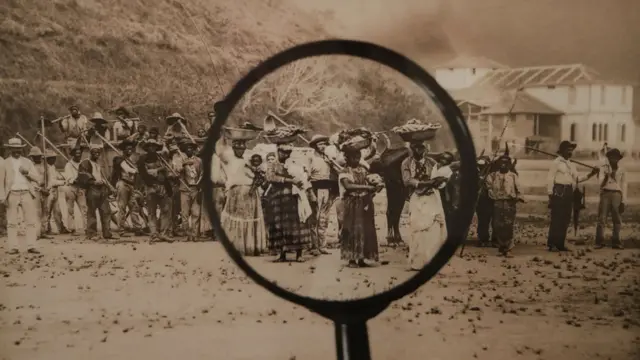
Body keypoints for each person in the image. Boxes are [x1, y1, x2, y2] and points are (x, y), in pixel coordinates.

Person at [401, 140, 448, 271]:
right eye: (415, 147)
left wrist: (440, 181)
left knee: (434, 227)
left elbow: (440, 179)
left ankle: (432, 260)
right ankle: (417, 261)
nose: (418, 150)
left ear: (425, 148)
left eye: (421, 147)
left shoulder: (432, 162)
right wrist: (427, 183)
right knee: (417, 228)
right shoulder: (406, 163)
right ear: (411, 148)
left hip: (432, 196)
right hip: (417, 197)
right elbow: (407, 181)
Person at [217, 137, 267, 256]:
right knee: (236, 217)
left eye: (242, 148)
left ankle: (250, 246)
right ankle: (235, 245)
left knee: (248, 218)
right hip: (236, 192)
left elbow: (257, 175)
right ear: (233, 148)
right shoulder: (228, 158)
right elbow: (219, 151)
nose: (240, 150)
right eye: (238, 148)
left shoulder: (247, 161)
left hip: (250, 193)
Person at [546, 141, 598, 251]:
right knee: (557, 219)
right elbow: (550, 178)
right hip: (559, 192)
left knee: (565, 219)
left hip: (569, 192)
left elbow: (577, 179)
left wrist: (591, 174)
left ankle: (560, 243)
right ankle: (552, 244)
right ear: (562, 151)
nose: (570, 152)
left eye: (571, 150)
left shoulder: (571, 164)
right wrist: (550, 194)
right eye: (568, 150)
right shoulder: (556, 163)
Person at [264, 142, 313, 261]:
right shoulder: (272, 165)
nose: (285, 155)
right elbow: (270, 178)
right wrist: (290, 180)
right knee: (279, 224)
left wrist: (300, 180)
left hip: (293, 198)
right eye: (283, 152)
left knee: (296, 223)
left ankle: (299, 254)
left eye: (288, 153)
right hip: (277, 198)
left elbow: (303, 177)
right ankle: (281, 254)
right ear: (278, 152)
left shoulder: (294, 163)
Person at [338, 136, 381, 268]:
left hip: (364, 202)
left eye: (358, 156)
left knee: (365, 229)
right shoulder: (344, 171)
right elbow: (348, 186)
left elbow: (370, 181)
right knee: (352, 229)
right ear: (347, 158)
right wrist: (367, 187)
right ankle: (351, 259)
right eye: (353, 157)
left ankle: (362, 258)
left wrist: (376, 186)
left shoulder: (364, 170)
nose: (356, 159)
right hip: (352, 203)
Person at [0, 138, 42, 254]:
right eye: (14, 149)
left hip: (26, 192)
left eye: (18, 148)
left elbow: (38, 178)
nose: (16, 151)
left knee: (30, 221)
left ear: (21, 149)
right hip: (12, 193)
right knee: (12, 222)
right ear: (10, 149)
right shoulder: (5, 163)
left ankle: (31, 245)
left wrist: (27, 172)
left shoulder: (27, 162)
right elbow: (1, 181)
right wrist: (2, 197)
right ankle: (13, 247)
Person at [485, 155, 525, 257]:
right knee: (498, 225)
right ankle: (501, 246)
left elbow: (519, 188)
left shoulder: (513, 176)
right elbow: (488, 186)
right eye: (501, 163)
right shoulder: (492, 176)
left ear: (509, 165)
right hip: (497, 202)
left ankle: (508, 248)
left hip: (509, 202)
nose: (503, 165)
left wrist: (519, 197)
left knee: (508, 224)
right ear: (498, 164)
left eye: (506, 163)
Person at [137, 138, 174, 243]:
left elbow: (166, 174)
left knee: (165, 210)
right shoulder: (142, 159)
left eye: (154, 146)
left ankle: (163, 233)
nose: (152, 148)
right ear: (147, 148)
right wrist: (153, 182)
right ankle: (154, 234)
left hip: (162, 186)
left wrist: (168, 188)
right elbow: (144, 174)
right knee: (151, 212)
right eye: (150, 146)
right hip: (151, 188)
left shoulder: (161, 158)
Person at [307, 135, 338, 255]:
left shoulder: (328, 158)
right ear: (315, 146)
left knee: (324, 219)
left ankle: (323, 246)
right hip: (315, 189)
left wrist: (331, 163)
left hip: (326, 190)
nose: (322, 146)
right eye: (320, 144)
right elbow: (307, 177)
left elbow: (337, 172)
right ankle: (314, 246)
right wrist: (310, 193)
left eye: (324, 144)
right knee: (314, 218)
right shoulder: (311, 158)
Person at [76, 144, 115, 240]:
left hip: (102, 189)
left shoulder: (99, 164)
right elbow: (82, 176)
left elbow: (104, 177)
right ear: (91, 153)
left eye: (98, 152)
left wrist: (109, 186)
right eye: (94, 152)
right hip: (92, 189)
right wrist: (93, 181)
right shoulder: (85, 163)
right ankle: (92, 233)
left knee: (106, 211)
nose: (97, 154)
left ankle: (107, 233)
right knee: (92, 212)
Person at [595, 148, 627, 249]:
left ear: (619, 158)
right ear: (608, 158)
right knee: (602, 218)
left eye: (616, 158)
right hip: (606, 193)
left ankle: (616, 241)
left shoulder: (622, 169)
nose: (614, 160)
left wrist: (623, 200)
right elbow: (600, 184)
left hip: (617, 194)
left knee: (617, 218)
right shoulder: (604, 167)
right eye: (612, 157)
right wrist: (606, 177)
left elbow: (624, 184)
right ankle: (599, 241)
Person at [112, 139, 144, 236]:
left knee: (134, 207)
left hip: (131, 185)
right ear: (124, 150)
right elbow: (127, 169)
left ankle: (137, 228)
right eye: (127, 149)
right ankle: (121, 230)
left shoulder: (132, 160)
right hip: (122, 184)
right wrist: (136, 171)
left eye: (131, 149)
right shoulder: (119, 159)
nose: (129, 151)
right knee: (122, 207)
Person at [175, 141, 203, 242]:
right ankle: (186, 234)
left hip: (195, 188)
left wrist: (199, 187)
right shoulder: (181, 160)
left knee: (196, 212)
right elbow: (177, 171)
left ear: (194, 150)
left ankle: (195, 234)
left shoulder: (199, 161)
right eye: (187, 148)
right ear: (185, 150)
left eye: (191, 148)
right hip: (184, 189)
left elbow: (202, 174)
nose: (189, 150)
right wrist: (183, 164)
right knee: (184, 213)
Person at [28, 146, 52, 239]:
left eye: (38, 156)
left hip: (45, 190)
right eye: (35, 156)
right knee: (36, 211)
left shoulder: (45, 165)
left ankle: (43, 231)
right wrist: (40, 189)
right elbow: (30, 181)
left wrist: (48, 188)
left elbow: (50, 178)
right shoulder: (30, 166)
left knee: (45, 211)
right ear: (32, 157)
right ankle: (36, 232)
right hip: (36, 191)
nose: (37, 158)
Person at [62, 146, 88, 234]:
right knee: (70, 209)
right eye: (76, 154)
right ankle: (72, 228)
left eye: (80, 154)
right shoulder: (68, 165)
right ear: (73, 155)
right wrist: (76, 179)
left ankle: (87, 227)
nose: (78, 155)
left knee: (84, 208)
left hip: (80, 188)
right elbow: (69, 178)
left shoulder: (83, 164)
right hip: (71, 188)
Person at [43, 150, 67, 235]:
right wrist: (62, 182)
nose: (53, 160)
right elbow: (51, 181)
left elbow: (57, 176)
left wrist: (63, 177)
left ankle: (61, 227)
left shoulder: (52, 167)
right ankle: (46, 229)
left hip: (55, 191)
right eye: (51, 158)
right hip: (49, 191)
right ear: (47, 159)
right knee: (47, 211)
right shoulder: (45, 168)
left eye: (54, 158)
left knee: (57, 211)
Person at [476, 156, 497, 247]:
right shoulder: (475, 173)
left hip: (493, 200)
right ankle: (482, 239)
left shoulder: (494, 174)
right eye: (480, 165)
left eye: (483, 165)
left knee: (495, 221)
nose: (482, 167)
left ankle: (495, 240)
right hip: (481, 201)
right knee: (483, 221)